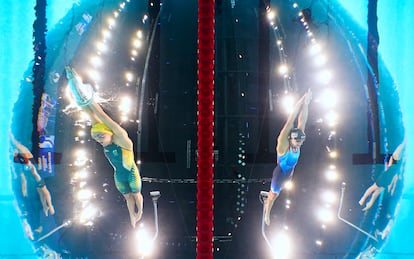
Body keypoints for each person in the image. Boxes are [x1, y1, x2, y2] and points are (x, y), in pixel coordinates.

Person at [65, 66, 143, 228]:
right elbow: (89, 113)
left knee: (136, 194)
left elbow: (100, 115)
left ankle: (140, 212)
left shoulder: (122, 139)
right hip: (119, 175)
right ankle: (132, 218)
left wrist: (88, 99)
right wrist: (75, 82)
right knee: (128, 197)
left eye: (100, 136)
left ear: (109, 133)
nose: (99, 140)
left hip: (131, 174)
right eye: (96, 138)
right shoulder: (104, 136)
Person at [263, 89, 312, 225]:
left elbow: (302, 121)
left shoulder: (298, 141)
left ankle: (270, 198)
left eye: (301, 140)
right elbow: (291, 119)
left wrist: (306, 103)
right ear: (291, 139)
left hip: (289, 173)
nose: (299, 143)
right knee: (274, 195)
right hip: (280, 173)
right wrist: (300, 101)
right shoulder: (283, 145)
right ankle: (267, 212)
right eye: (297, 140)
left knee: (280, 189)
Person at [10, 133, 55, 216]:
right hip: (33, 177)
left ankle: (49, 206)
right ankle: (45, 206)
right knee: (41, 193)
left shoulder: (25, 155)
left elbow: (16, 144)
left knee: (44, 192)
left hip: (36, 176)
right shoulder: (22, 157)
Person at [358, 139, 406, 211]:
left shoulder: (396, 165)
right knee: (374, 190)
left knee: (375, 193)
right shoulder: (396, 163)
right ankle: (364, 200)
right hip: (386, 177)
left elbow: (395, 177)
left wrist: (391, 187)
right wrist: (391, 187)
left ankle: (367, 204)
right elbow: (394, 176)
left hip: (387, 178)